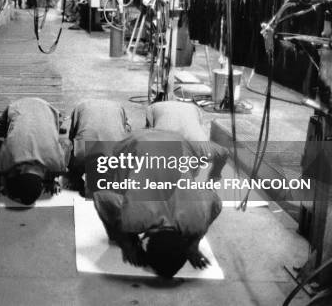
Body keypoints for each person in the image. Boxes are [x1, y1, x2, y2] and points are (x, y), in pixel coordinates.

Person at [92, 129, 222, 278]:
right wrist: (126, 242)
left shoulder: (197, 223)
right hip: (134, 144)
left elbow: (216, 202)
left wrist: (193, 245)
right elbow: (101, 198)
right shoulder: (135, 218)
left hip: (179, 142)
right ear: (145, 242)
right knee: (121, 185)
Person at [0, 97, 69, 205]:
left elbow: (67, 143)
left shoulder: (58, 165)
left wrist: (57, 157)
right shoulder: (4, 164)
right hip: (28, 107)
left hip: (41, 108)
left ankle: (54, 124)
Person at [145, 101, 229, 180]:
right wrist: (213, 178)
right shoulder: (204, 151)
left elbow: (224, 153)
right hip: (160, 109)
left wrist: (213, 178)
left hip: (189, 110)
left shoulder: (205, 151)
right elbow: (224, 153)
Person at [68, 99, 131, 191]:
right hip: (95, 108)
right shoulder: (81, 157)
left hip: (91, 107)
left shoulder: (121, 161)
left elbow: (72, 136)